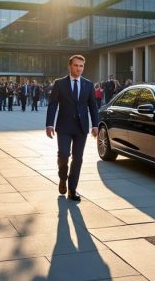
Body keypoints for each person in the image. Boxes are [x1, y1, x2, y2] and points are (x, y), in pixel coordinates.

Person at [45, 55, 99, 202]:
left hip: (81, 127)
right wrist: (49, 124)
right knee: (63, 154)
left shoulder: (88, 84)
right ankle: (63, 177)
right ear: (70, 66)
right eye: (76, 65)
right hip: (63, 126)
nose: (79, 68)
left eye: (81, 66)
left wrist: (95, 125)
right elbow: (53, 105)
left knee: (78, 158)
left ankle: (72, 189)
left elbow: (93, 106)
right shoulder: (59, 83)